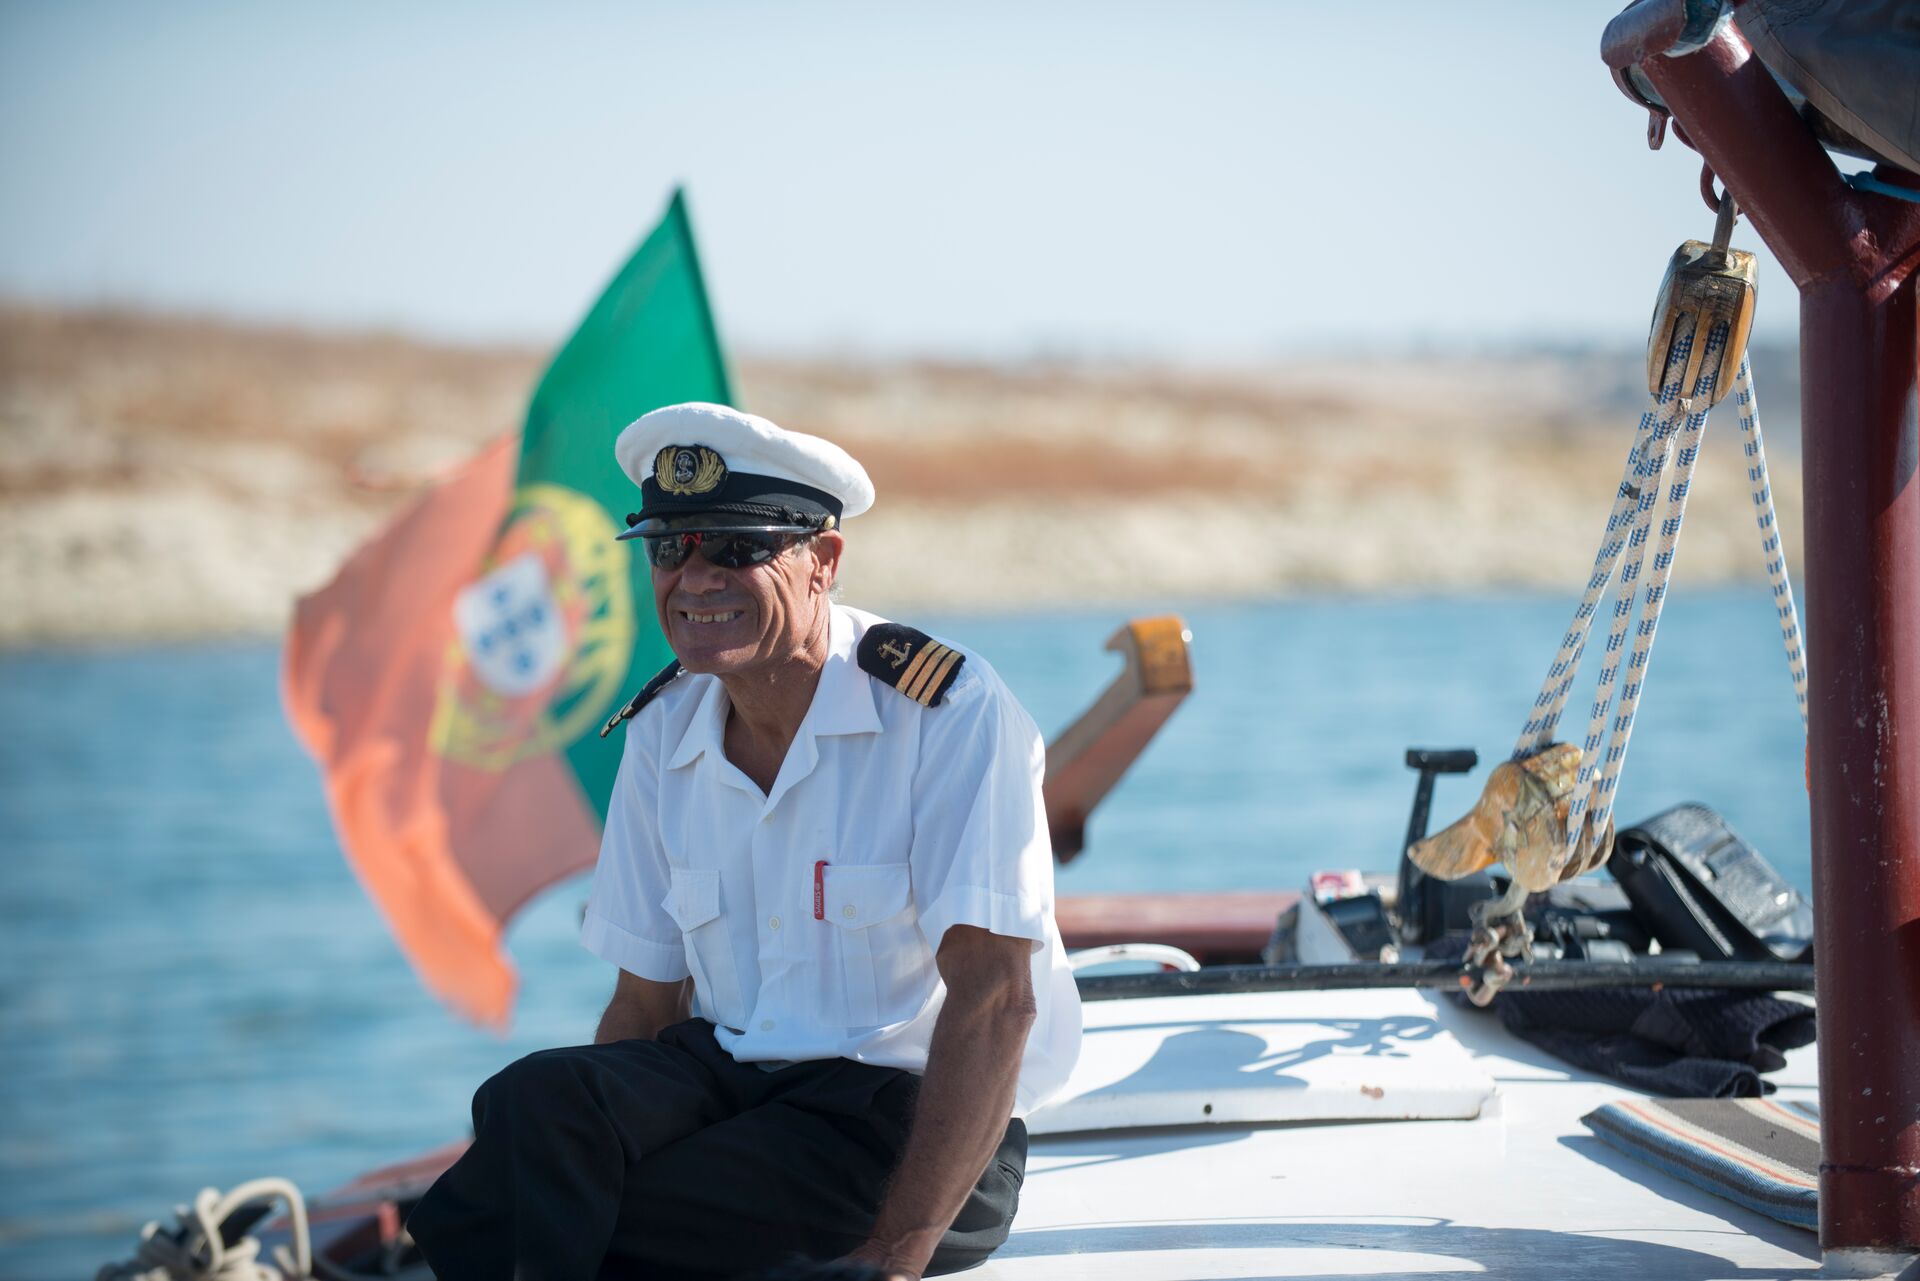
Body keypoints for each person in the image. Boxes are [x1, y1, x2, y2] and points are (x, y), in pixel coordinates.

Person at [407, 402, 1081, 1281]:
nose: (693, 579)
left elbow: (996, 1001)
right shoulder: (665, 727)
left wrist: (893, 1259)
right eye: (667, 549)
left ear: (823, 561)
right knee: (530, 1104)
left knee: (607, 1224)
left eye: (734, 547)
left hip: (902, 1118)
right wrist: (585, 1161)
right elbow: (644, 1008)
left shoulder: (946, 712)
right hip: (729, 1078)